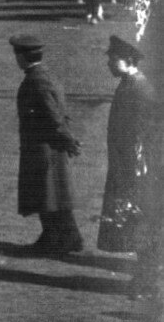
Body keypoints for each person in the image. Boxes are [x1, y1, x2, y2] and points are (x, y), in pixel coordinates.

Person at [11, 32, 84, 255]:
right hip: (49, 146)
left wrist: (68, 140)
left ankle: (57, 239)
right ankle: (67, 237)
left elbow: (53, 117)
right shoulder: (44, 76)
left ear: (22, 57)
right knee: (54, 195)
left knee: (49, 195)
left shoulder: (36, 81)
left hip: (44, 148)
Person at [98, 35, 158, 255]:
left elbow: (145, 133)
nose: (109, 64)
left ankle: (143, 254)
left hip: (134, 162)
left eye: (113, 59)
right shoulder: (128, 84)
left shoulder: (140, 89)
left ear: (128, 60)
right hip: (124, 159)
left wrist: (136, 163)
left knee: (135, 206)